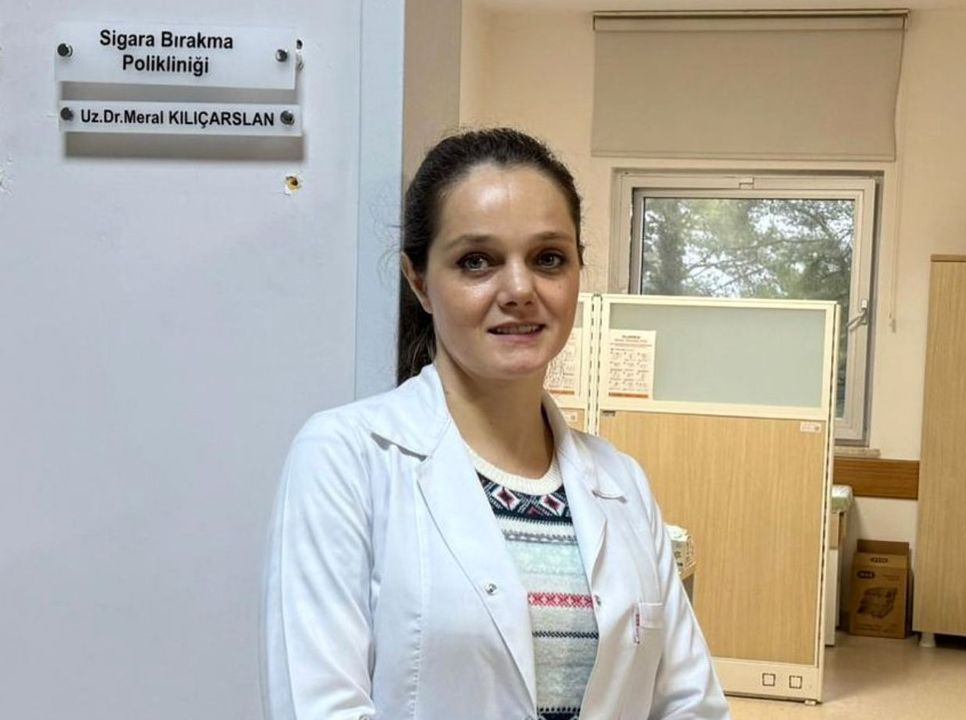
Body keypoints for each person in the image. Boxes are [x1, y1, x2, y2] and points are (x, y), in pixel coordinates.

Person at [262, 127, 729, 720]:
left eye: (548, 259)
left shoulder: (622, 483)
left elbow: (689, 702)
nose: (519, 289)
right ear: (419, 282)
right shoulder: (344, 457)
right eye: (476, 261)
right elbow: (318, 706)